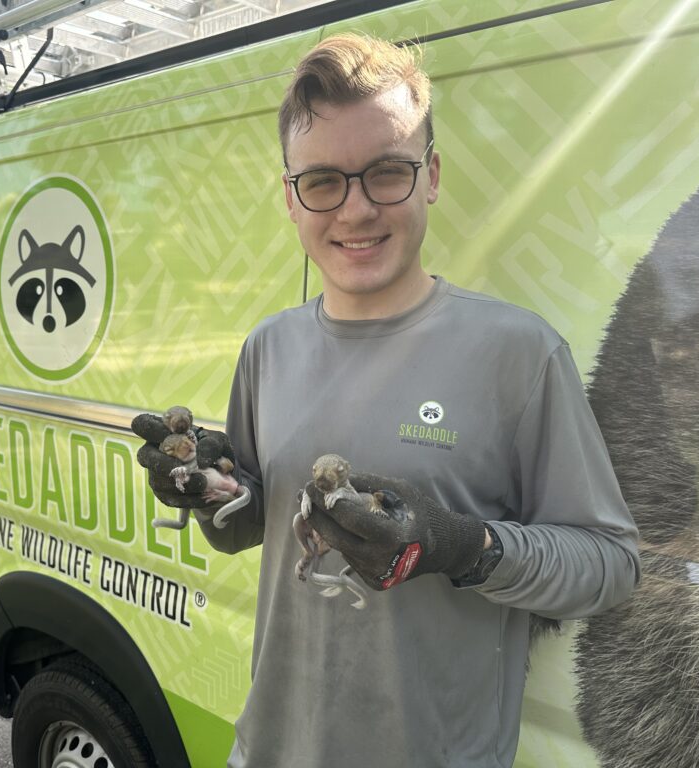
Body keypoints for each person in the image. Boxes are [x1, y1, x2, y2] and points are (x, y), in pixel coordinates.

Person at [134, 33, 640, 768]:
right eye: (323, 182)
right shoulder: (267, 348)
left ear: (430, 175)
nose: (356, 209)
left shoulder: (519, 353)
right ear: (291, 197)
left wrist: (464, 546)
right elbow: (249, 529)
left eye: (386, 173)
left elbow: (611, 565)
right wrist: (209, 492)